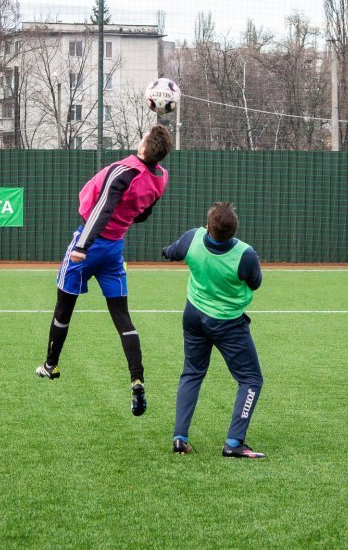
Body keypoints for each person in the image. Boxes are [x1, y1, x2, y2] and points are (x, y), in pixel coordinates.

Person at [36, 125, 174, 417]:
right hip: (114, 249)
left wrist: (82, 245)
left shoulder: (124, 171)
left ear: (144, 147)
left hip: (90, 244)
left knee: (63, 307)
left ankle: (51, 365)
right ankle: (137, 378)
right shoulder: (160, 177)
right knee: (122, 317)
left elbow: (103, 208)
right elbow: (144, 213)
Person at [162, 202, 265, 458]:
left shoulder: (192, 238)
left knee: (192, 373)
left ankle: (179, 438)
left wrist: (169, 251)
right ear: (234, 230)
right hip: (228, 323)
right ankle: (233, 443)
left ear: (208, 227)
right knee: (251, 380)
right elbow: (255, 283)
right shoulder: (245, 254)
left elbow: (171, 252)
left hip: (194, 315)